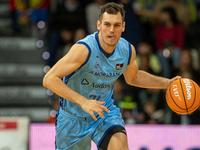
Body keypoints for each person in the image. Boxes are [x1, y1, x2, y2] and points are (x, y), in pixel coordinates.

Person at [43, 2, 180, 150]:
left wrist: (168, 83)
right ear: (99, 25)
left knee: (119, 146)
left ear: (123, 27)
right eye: (107, 24)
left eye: (116, 25)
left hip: (104, 113)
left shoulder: (127, 50)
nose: (111, 30)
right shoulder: (83, 49)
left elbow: (134, 77)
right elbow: (49, 79)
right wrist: (84, 102)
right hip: (73, 118)